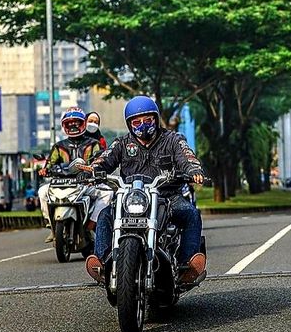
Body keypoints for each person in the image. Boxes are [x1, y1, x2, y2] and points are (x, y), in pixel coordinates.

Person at [83, 96, 206, 284]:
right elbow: (105, 159)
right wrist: (92, 170)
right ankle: (103, 262)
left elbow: (186, 156)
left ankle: (186, 265)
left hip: (167, 196)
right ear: (129, 124)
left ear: (155, 119)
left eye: (147, 119)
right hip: (131, 197)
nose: (143, 125)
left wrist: (194, 170)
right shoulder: (122, 143)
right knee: (105, 215)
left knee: (191, 214)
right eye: (137, 122)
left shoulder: (172, 139)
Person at [38, 107, 112, 243]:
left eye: (76, 123)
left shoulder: (94, 144)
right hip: (60, 184)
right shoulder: (59, 146)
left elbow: (100, 161)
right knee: (42, 191)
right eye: (69, 123)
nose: (73, 126)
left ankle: (91, 224)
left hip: (86, 183)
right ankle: (51, 225)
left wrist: (93, 172)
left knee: (108, 193)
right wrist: (45, 170)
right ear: (64, 126)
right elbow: (50, 164)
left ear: (83, 124)